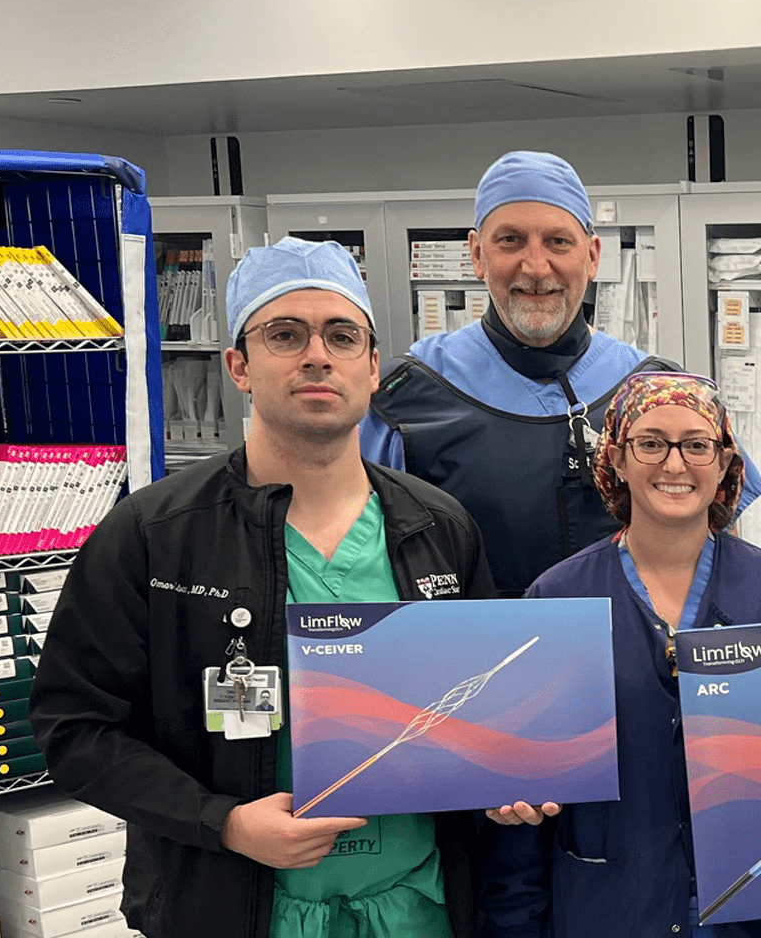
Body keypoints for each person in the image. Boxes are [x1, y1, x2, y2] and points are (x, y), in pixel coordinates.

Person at [32, 237, 495, 938]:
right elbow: (76, 728)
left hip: (416, 909)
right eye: (285, 334)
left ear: (372, 369)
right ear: (240, 366)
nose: (317, 354)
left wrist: (516, 782)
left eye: (342, 336)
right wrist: (222, 823)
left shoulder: (438, 527)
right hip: (234, 908)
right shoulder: (154, 535)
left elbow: (486, 710)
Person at [477, 371, 761, 938]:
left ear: (726, 461)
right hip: (607, 907)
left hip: (751, 912)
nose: (675, 464)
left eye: (697, 444)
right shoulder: (557, 598)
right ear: (617, 458)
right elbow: (521, 810)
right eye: (651, 442)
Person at [363, 150, 761, 597]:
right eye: (510, 241)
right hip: (475, 659)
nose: (536, 267)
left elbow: (722, 552)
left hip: (636, 660)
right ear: (477, 255)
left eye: (558, 242)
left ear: (592, 256)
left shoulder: (658, 391)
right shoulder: (406, 399)